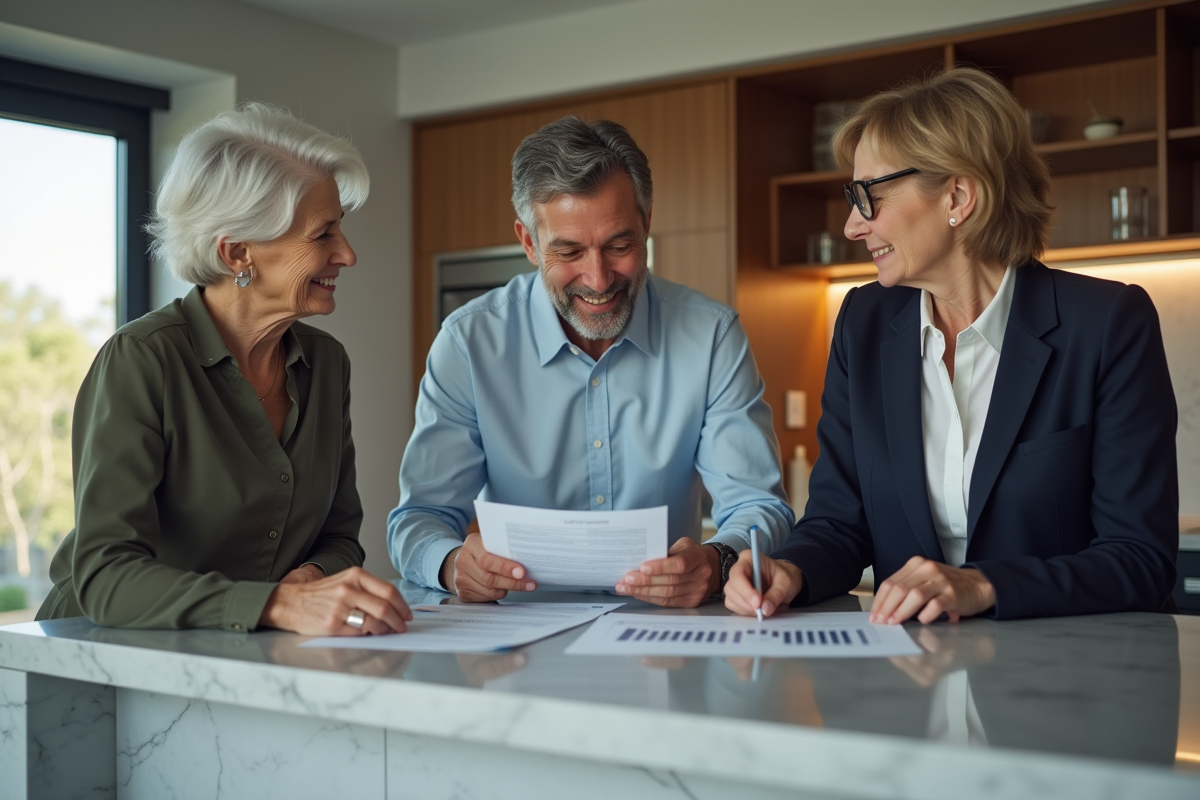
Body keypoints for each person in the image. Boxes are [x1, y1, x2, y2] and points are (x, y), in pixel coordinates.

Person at [725, 68, 1178, 624]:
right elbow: (839, 525)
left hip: (1066, 680)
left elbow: (1140, 560)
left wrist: (983, 585)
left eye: (870, 196)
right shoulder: (862, 323)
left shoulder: (1108, 324)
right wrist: (791, 568)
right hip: (912, 680)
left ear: (958, 196)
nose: (851, 225)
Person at [37, 103, 412, 636]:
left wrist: (310, 580)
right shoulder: (143, 358)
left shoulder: (327, 363)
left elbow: (340, 535)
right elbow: (106, 577)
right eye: (322, 234)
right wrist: (276, 606)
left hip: (237, 655)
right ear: (239, 253)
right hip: (98, 660)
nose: (347, 254)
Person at [389, 116, 793, 607]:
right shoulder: (468, 342)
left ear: (647, 222)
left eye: (620, 246)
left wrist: (716, 563)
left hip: (664, 638)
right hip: (516, 642)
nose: (598, 279)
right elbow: (418, 519)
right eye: (569, 251)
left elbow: (758, 506)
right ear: (528, 242)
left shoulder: (711, 336)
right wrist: (453, 565)